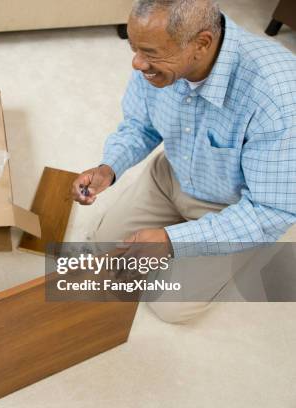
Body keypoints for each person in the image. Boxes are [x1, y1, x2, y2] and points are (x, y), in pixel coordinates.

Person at [72, 0, 296, 322]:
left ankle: (244, 251)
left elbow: (271, 210)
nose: (137, 63)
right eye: (134, 49)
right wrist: (109, 167)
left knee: (168, 305)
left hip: (233, 208)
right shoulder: (155, 62)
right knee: (104, 245)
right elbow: (139, 124)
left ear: (201, 43)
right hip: (170, 178)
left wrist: (172, 240)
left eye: (149, 53)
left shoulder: (278, 97)